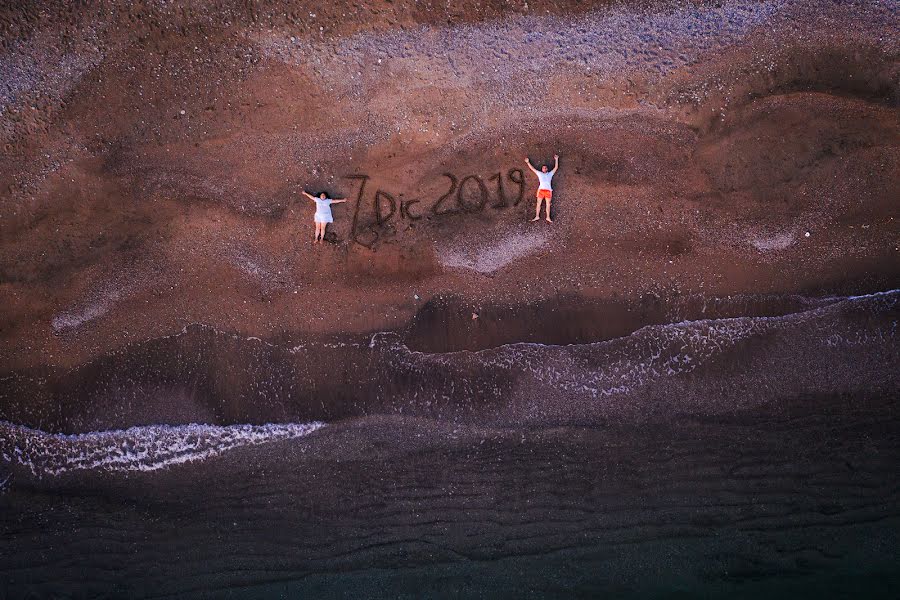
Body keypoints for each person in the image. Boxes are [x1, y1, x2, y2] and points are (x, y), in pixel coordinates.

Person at [525, 154, 559, 223]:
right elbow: (532, 169)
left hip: (548, 191)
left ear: (547, 169)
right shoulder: (539, 173)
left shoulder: (550, 174)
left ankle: (548, 217)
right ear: (542, 169)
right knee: (538, 203)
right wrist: (528, 162)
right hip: (541, 190)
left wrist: (556, 160)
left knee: (548, 204)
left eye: (546, 168)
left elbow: (556, 168)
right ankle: (537, 216)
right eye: (543, 168)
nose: (544, 169)